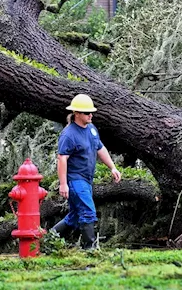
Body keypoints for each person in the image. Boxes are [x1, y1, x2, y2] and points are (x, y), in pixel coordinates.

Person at [50, 94, 121, 250]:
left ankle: (49, 239)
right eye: (87, 113)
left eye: (91, 112)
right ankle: (90, 249)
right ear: (76, 114)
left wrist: (112, 167)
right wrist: (63, 184)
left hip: (87, 180)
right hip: (75, 180)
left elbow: (100, 148)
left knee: (75, 217)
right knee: (88, 211)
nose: (91, 115)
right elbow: (62, 159)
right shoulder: (69, 135)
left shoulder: (91, 129)